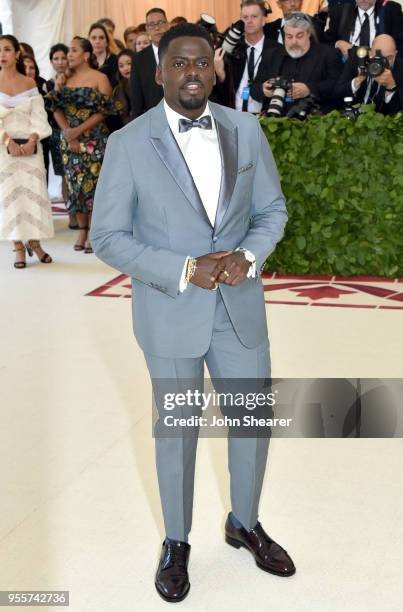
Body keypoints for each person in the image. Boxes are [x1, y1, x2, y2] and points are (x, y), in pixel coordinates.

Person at [90, 23, 294, 603]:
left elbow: (271, 211)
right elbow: (107, 236)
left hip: (240, 310)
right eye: (179, 63)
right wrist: (184, 268)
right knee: (178, 431)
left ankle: (245, 523)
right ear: (159, 73)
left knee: (251, 423)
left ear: (216, 68)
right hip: (171, 312)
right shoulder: (128, 143)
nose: (192, 73)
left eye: (201, 63)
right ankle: (176, 543)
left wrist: (248, 255)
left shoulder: (245, 129)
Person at [45, 37, 118, 254]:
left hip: (94, 140)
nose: (69, 54)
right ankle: (82, 230)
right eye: (69, 51)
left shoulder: (99, 77)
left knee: (95, 186)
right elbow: (54, 107)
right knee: (76, 187)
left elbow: (105, 110)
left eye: (74, 50)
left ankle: (95, 232)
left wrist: (79, 130)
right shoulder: (62, 79)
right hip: (69, 141)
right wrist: (69, 132)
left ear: (86, 55)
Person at [0, 35, 53, 268]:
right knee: (10, 197)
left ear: (17, 53)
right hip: (4, 149)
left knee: (33, 195)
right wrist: (7, 140)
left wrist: (32, 140)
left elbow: (40, 117)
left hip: (31, 148)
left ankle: (36, 243)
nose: (2, 54)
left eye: (7, 49)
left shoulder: (30, 83)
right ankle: (18, 248)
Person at [251, 13, 342, 114]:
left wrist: (309, 89)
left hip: (314, 121)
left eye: (299, 36)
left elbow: (338, 86)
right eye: (289, 37)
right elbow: (254, 88)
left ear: (308, 34)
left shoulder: (328, 54)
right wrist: (264, 90)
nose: (294, 42)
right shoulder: (271, 55)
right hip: (275, 120)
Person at [214, 0, 280, 111]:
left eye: (254, 16)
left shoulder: (276, 51)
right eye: (245, 17)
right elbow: (222, 93)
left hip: (265, 118)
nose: (249, 21)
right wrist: (220, 74)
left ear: (264, 20)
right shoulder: (232, 49)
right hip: (233, 116)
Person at [45, 43, 77, 229]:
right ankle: (71, 216)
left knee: (78, 175)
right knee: (65, 176)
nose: (60, 62)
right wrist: (56, 88)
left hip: (79, 130)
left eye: (63, 58)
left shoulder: (77, 79)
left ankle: (85, 216)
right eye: (55, 59)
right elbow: (50, 109)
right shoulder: (48, 84)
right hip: (57, 133)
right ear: (51, 62)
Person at [336, 34, 403, 113]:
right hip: (353, 115)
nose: (384, 62)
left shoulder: (400, 69)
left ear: (395, 54)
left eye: (389, 58)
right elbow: (337, 94)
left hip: (381, 120)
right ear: (370, 53)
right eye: (379, 57)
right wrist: (357, 80)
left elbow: (398, 113)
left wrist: (391, 87)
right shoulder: (358, 58)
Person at [324, 0, 403, 59]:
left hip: (379, 66)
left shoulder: (391, 9)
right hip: (346, 67)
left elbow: (400, 45)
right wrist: (338, 43)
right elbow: (327, 41)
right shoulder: (340, 11)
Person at [130, 7, 169, 118]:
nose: (157, 28)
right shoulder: (139, 59)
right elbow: (136, 99)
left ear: (167, 25)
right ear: (147, 29)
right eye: (152, 24)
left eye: (160, 23)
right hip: (154, 118)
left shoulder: (180, 51)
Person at [88, 22, 118, 88]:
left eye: (101, 38)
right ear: (89, 41)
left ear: (107, 41)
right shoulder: (84, 62)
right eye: (93, 38)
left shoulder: (115, 60)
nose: (97, 41)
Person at [113, 49, 135, 125]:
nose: (125, 68)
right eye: (121, 66)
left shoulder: (147, 82)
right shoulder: (118, 89)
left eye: (129, 63)